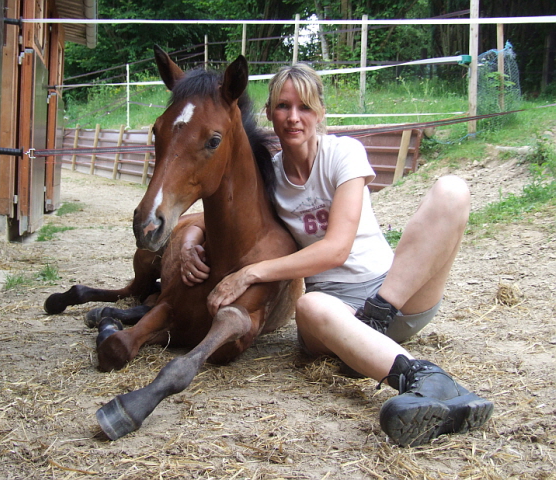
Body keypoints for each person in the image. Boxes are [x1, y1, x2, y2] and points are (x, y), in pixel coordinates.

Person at [179, 63, 493, 447]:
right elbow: (213, 213)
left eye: (305, 107)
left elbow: (337, 247)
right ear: (269, 113)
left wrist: (251, 273)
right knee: (310, 306)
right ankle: (426, 381)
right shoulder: (268, 176)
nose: (294, 117)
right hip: (336, 313)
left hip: (395, 294)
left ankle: (373, 334)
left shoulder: (345, 153)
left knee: (452, 190)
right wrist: (189, 239)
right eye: (283, 106)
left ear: (320, 113)